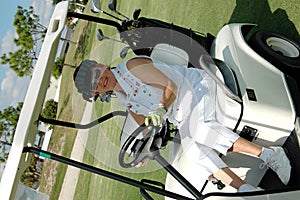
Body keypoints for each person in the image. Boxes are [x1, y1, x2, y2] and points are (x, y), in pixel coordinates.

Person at [73, 56, 291, 192]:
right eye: (93, 84)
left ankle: (271, 155)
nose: (99, 80)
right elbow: (145, 126)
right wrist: (142, 150)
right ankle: (247, 192)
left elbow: (171, 84)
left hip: (196, 89)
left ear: (100, 66)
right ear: (95, 92)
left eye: (96, 73)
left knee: (203, 131)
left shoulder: (130, 68)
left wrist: (160, 108)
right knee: (195, 152)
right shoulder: (123, 97)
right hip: (184, 114)